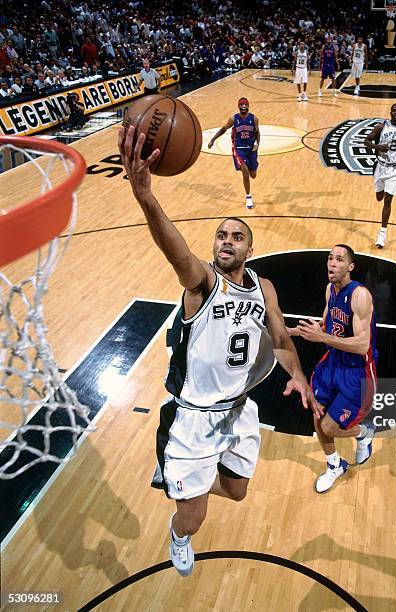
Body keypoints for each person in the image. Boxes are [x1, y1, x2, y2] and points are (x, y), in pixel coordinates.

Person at [118, 124, 318, 577]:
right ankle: (178, 531)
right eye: (221, 235)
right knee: (194, 516)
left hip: (238, 410)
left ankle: (183, 478)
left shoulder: (263, 287)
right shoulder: (203, 282)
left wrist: (298, 376)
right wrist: (147, 197)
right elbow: (177, 254)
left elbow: (282, 339)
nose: (227, 240)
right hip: (192, 417)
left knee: (239, 489)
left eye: (237, 236)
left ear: (250, 247)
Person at [288, 244, 377, 493]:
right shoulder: (330, 289)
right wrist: (296, 332)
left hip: (356, 371)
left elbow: (362, 345)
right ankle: (335, 464)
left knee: (329, 427)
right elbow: (327, 323)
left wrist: (323, 339)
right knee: (318, 415)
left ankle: (363, 432)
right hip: (333, 363)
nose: (332, 263)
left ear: (350, 267)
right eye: (329, 258)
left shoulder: (360, 295)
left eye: (339, 259)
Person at [364, 103, 396, 248]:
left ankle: (382, 235)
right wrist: (378, 147)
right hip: (381, 167)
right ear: (390, 112)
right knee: (379, 197)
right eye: (394, 110)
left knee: (388, 200)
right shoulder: (381, 127)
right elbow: (366, 141)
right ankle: (394, 185)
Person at [208, 97, 260, 209]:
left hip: (251, 149)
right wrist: (213, 139)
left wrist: (257, 144)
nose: (244, 107)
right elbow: (223, 129)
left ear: (248, 106)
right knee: (245, 172)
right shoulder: (233, 119)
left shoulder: (254, 118)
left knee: (253, 175)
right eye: (242, 105)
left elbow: (257, 133)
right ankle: (248, 197)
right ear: (239, 106)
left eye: (245, 105)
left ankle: (250, 174)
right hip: (239, 149)